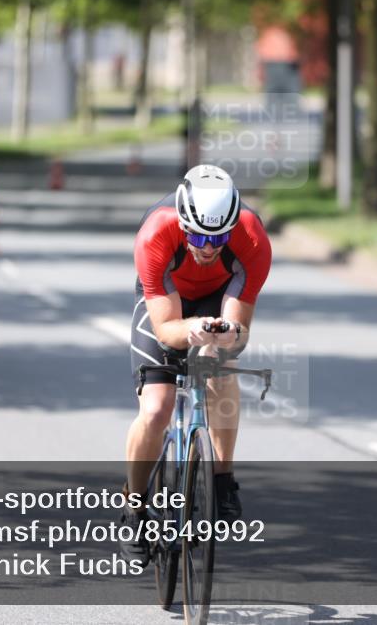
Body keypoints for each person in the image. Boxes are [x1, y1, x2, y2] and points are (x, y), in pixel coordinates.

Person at [119, 164, 272, 565]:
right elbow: (167, 328)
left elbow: (240, 331)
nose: (208, 247)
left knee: (219, 365)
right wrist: (192, 329)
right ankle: (134, 509)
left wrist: (224, 338)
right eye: (199, 236)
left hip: (219, 298)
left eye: (218, 237)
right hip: (167, 305)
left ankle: (223, 480)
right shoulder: (155, 233)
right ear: (184, 224)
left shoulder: (253, 240)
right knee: (155, 409)